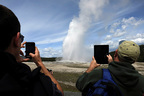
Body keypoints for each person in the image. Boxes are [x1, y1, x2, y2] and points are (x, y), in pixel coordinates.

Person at [0, 5, 63, 96]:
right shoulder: (25, 78)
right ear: (17, 40)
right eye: (21, 38)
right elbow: (59, 93)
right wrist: (39, 63)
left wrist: (13, 61)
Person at [76, 41, 144, 96]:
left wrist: (90, 68)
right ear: (135, 60)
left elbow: (79, 84)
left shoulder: (98, 74)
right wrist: (111, 63)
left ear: (116, 53)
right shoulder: (141, 80)